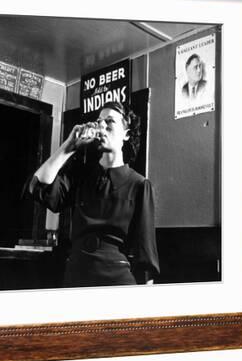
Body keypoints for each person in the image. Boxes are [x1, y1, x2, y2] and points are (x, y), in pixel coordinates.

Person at [25, 102, 159, 287]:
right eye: (99, 121)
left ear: (126, 135)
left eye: (110, 122)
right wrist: (69, 145)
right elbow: (38, 188)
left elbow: (146, 257)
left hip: (118, 282)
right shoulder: (81, 175)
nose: (102, 126)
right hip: (77, 277)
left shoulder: (139, 185)